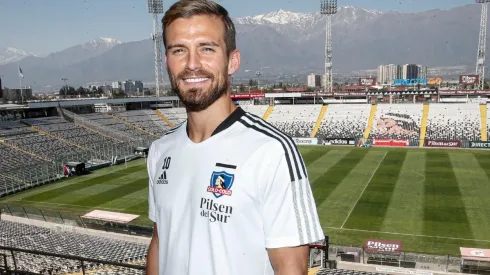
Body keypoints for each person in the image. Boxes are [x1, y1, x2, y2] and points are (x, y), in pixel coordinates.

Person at [146, 1, 324, 274]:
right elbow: (160, 240)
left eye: (207, 48)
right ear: (167, 62)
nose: (192, 64)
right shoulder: (160, 151)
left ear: (232, 61)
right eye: (179, 50)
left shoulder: (271, 150)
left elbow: (291, 269)